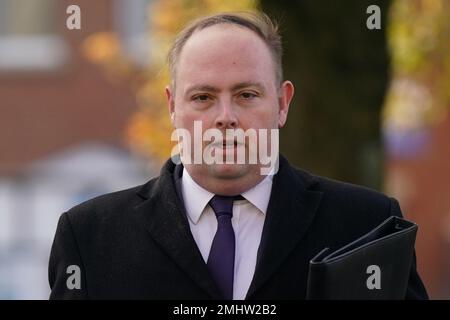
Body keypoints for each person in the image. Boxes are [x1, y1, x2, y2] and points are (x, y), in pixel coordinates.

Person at [48, 12, 428, 300]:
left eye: (246, 94)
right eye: (203, 97)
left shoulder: (367, 225)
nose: (225, 117)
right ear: (172, 107)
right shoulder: (91, 236)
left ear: (282, 103)